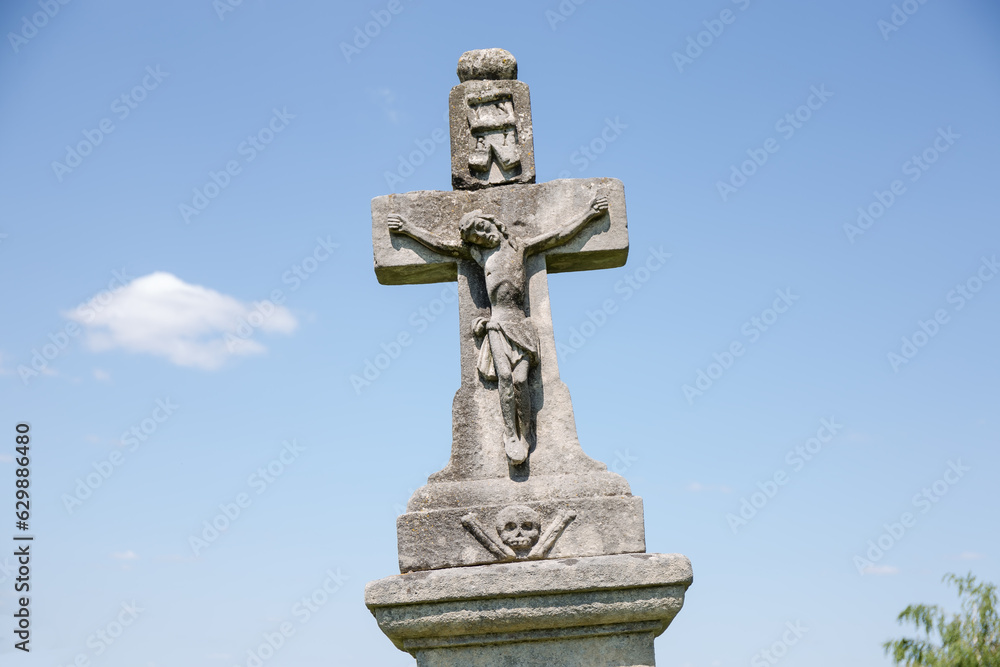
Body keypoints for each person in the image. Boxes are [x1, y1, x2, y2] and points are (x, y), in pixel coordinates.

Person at [387, 195, 609, 464]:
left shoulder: (520, 248)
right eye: (475, 237)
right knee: (504, 376)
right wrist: (409, 230)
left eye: (481, 228)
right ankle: (510, 434)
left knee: (520, 379)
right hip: (496, 326)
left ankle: (525, 434)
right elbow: (442, 247)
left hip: (520, 327)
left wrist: (588, 214)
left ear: (491, 222)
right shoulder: (481, 256)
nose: (481, 236)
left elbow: (559, 235)